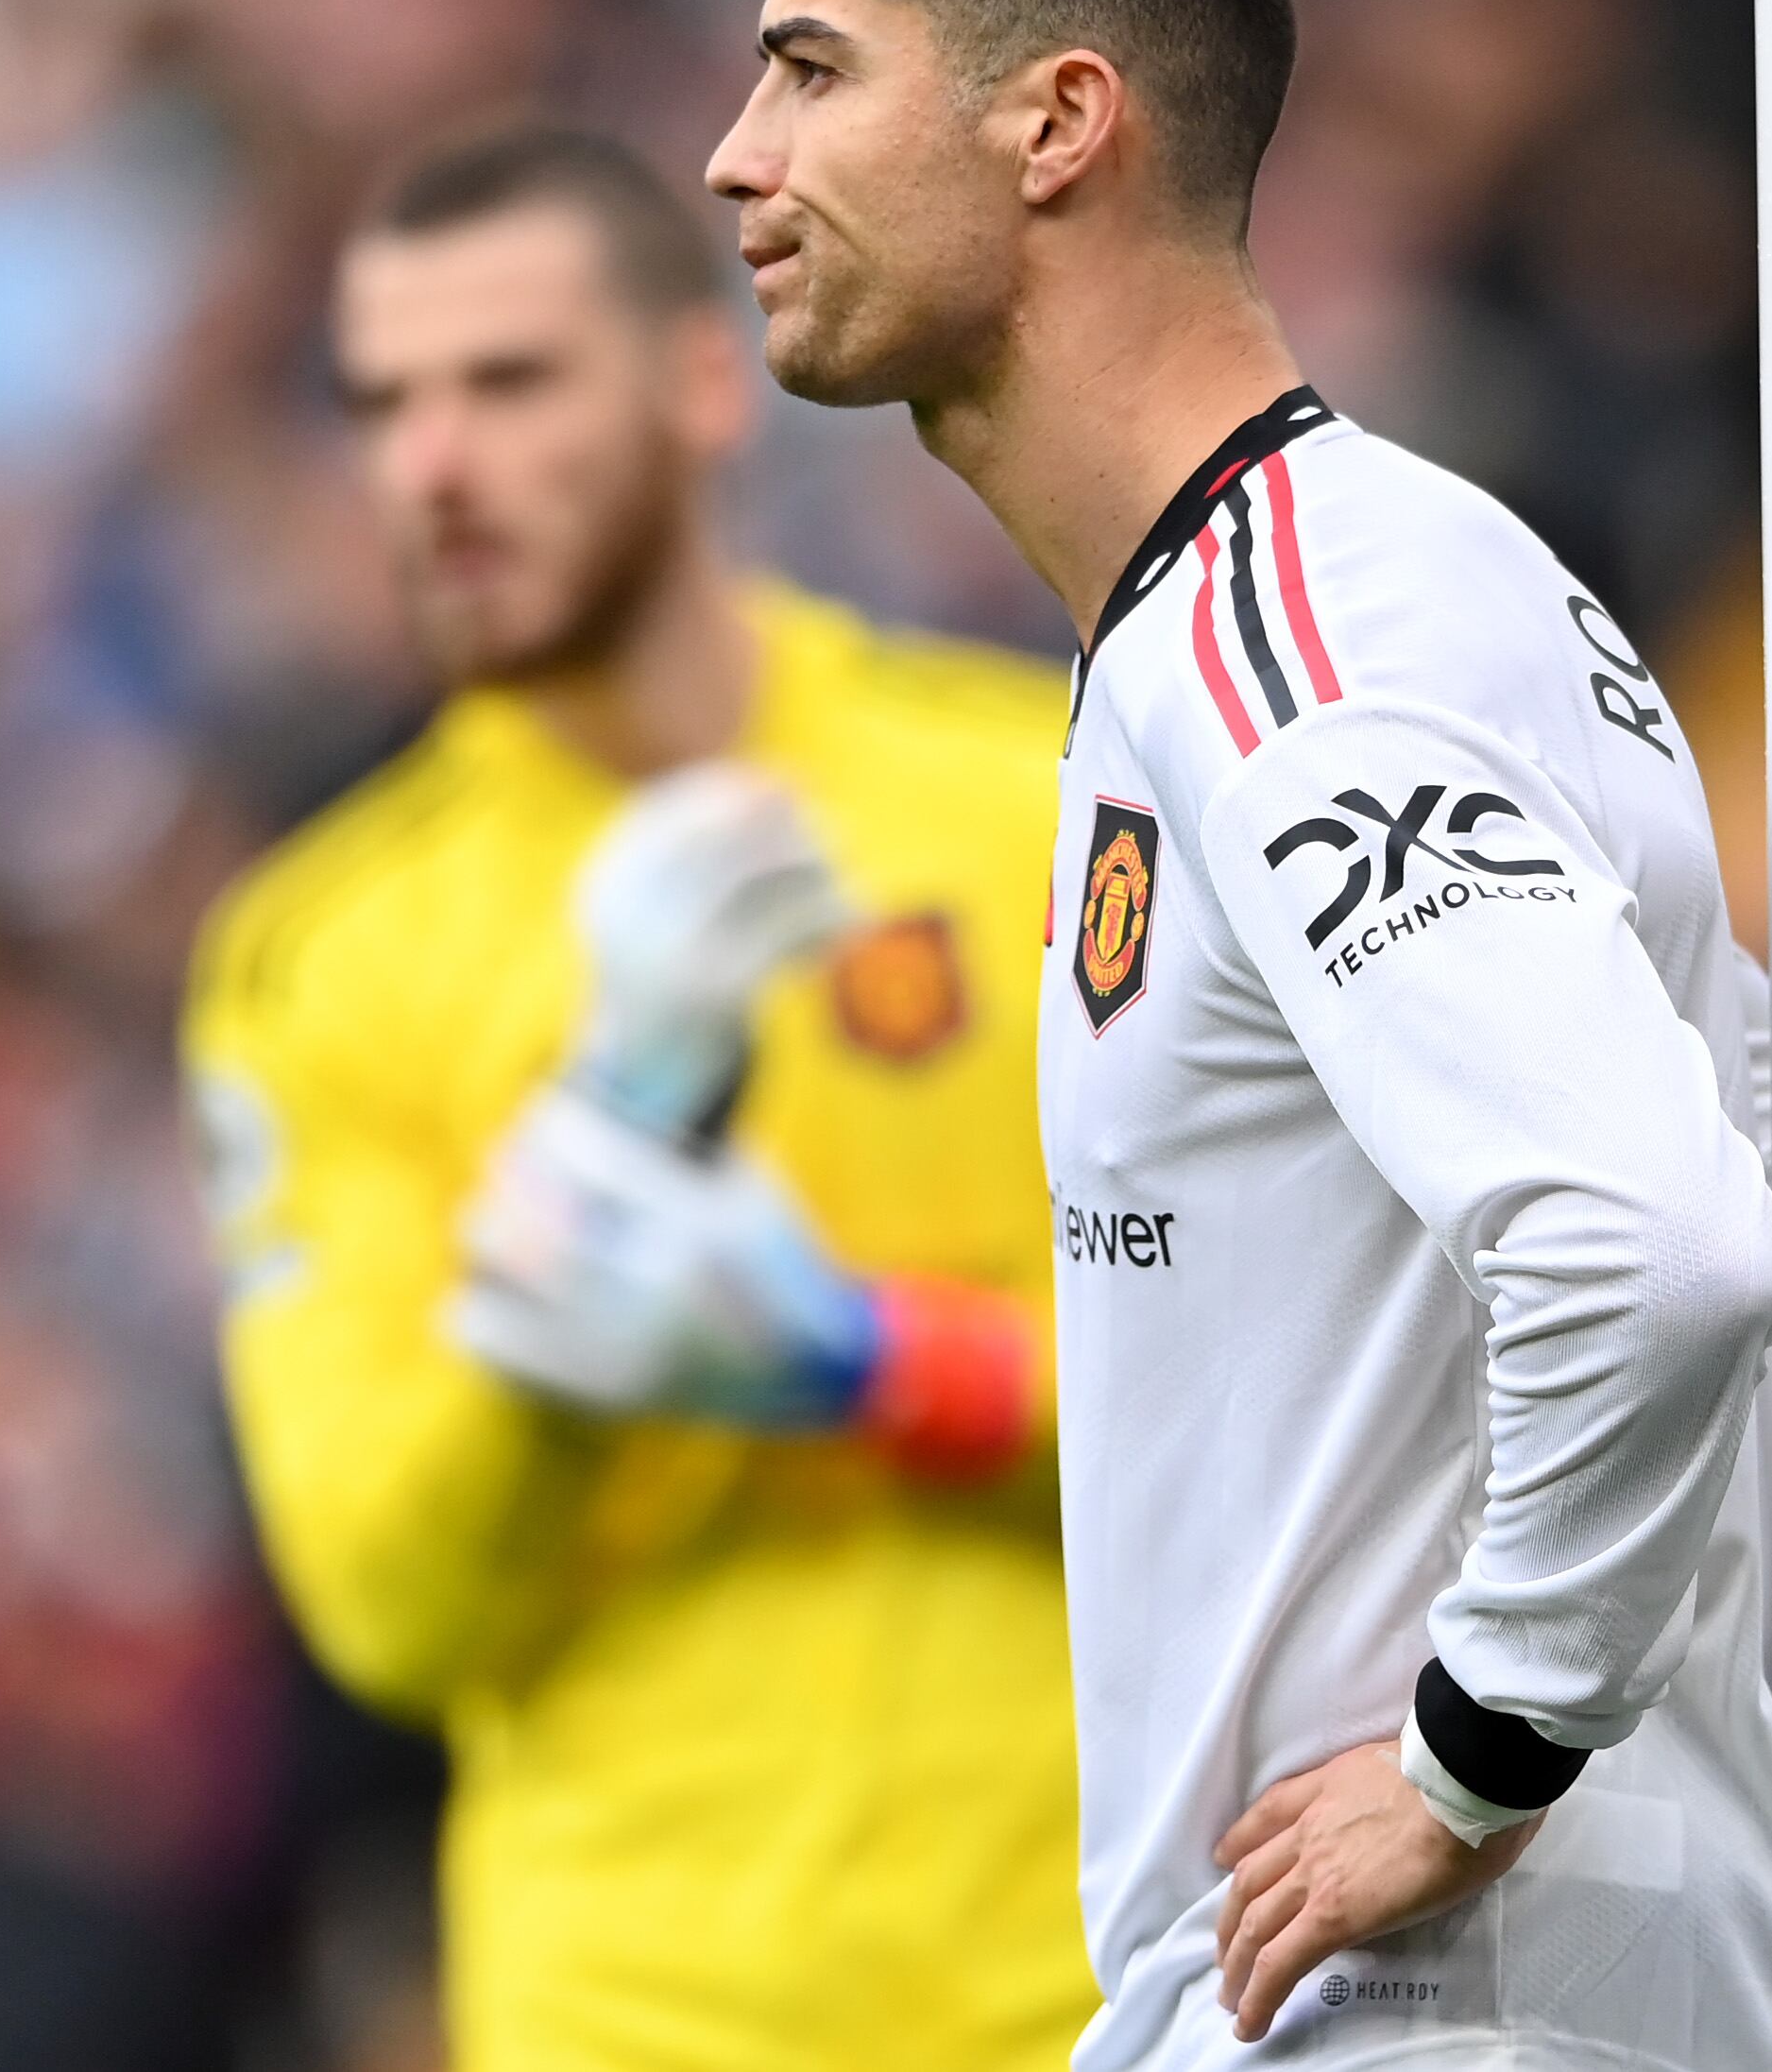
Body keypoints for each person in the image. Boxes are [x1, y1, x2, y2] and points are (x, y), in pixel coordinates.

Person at [707, 0, 1772, 2068]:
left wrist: (1476, 1748)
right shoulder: (1267, 622)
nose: (740, 157)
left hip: (1450, 2007)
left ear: (1057, 123)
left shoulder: (1304, 642)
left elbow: (1652, 1245)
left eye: (812, 71)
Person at [179, 123, 1098, 2071]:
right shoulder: (323, 954)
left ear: (702, 382)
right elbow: (385, 1608)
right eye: (383, 403)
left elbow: (1297, 1402)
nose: (433, 464)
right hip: (635, 2014)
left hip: (1101, 1981)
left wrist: (876, 1364)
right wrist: (585, 1196)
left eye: (509, 382)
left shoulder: (1042, 796)